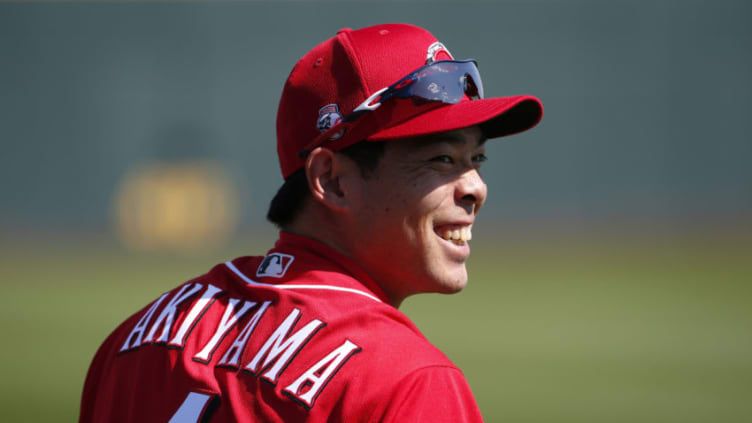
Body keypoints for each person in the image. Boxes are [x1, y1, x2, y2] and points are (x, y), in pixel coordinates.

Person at [80, 23, 542, 422]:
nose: (475, 188)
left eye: (475, 159)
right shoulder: (407, 382)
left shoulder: (137, 337)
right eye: (442, 159)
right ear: (332, 180)